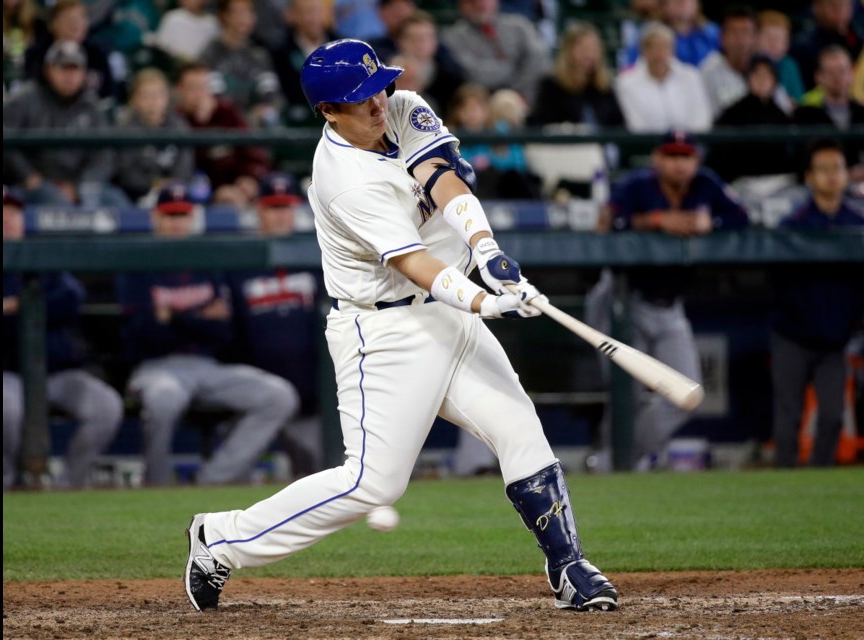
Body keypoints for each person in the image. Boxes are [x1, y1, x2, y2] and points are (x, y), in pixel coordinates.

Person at [183, 38, 619, 615]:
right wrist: (485, 302)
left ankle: (567, 564)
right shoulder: (342, 178)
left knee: (517, 423)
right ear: (328, 112)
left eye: (378, 86)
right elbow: (413, 261)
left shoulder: (404, 105)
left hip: (447, 314)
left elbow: (442, 177)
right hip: (383, 333)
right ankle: (220, 539)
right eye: (361, 97)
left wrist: (487, 251)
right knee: (374, 485)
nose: (378, 101)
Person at [115, 182, 302, 486]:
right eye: (170, 214)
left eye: (183, 214)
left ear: (193, 218)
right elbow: (143, 333)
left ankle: (211, 481)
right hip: (156, 367)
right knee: (165, 399)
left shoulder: (208, 261)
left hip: (208, 365)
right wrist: (198, 316)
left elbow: (222, 332)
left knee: (279, 396)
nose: (177, 222)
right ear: (156, 218)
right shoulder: (137, 264)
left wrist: (172, 316)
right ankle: (156, 487)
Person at [598, 129, 750, 470]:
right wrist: (655, 220)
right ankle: (614, 463)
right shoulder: (636, 185)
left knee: (687, 393)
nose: (680, 164)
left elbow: (742, 219)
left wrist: (714, 222)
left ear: (696, 160)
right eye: (672, 156)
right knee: (628, 394)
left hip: (670, 306)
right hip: (624, 298)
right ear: (657, 159)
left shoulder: (706, 185)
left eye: (686, 157)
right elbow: (608, 223)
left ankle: (617, 458)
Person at [3, 186, 124, 489]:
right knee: (7, 409)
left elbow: (71, 299)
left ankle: (68, 484)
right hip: (9, 374)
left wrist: (19, 306)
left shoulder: (42, 257)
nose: (8, 218)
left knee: (106, 405)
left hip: (56, 372)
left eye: (14, 211)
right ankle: (9, 482)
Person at [768, 138, 864, 468]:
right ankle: (784, 484)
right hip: (793, 336)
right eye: (822, 170)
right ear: (809, 177)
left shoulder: (859, 226)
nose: (830, 176)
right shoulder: (793, 225)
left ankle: (818, 482)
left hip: (835, 341)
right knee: (788, 418)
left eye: (836, 168)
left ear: (847, 174)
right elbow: (776, 283)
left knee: (832, 416)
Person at [224, 171, 325, 478]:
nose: (281, 216)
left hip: (310, 402)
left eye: (286, 207)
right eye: (273, 208)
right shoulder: (238, 261)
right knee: (234, 482)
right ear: (259, 211)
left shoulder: (316, 256)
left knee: (326, 471)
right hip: (256, 398)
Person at [3, 39, 133, 209]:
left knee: (119, 203)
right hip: (33, 184)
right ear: (48, 70)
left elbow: (104, 155)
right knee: (55, 202)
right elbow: (6, 139)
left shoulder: (92, 106)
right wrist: (28, 175)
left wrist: (82, 185)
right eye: (63, 68)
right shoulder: (25, 99)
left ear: (84, 73)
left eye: (74, 69)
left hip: (80, 185)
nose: (69, 76)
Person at [173, 60, 273, 206]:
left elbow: (253, 151)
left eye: (203, 87)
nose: (199, 94)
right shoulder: (175, 119)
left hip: (237, 185)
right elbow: (187, 165)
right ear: (179, 90)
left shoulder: (227, 112)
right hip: (197, 190)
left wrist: (249, 177)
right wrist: (201, 123)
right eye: (192, 88)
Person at [441, 0, 552, 107]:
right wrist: (513, 68)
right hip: (481, 103)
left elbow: (539, 60)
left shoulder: (520, 26)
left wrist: (517, 91)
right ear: (462, 5)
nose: (481, 4)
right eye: (473, 1)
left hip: (526, 96)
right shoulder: (453, 36)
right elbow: (473, 73)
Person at [708, 53, 796, 185]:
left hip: (778, 183)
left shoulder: (782, 115)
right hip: (740, 183)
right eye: (756, 74)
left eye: (767, 75)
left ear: (775, 80)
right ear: (748, 78)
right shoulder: (732, 114)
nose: (762, 80)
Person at [112, 67, 196, 206]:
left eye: (158, 95)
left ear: (167, 98)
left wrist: (171, 184)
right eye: (146, 96)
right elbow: (126, 174)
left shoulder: (179, 126)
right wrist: (156, 184)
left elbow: (185, 167)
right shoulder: (124, 129)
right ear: (134, 99)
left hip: (175, 193)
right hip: (134, 195)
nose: (153, 102)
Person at [614, 20, 713, 133]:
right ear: (643, 50)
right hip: (646, 148)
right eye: (653, 47)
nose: (659, 53)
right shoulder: (626, 83)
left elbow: (701, 117)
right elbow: (635, 125)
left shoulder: (691, 76)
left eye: (664, 47)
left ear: (673, 49)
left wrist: (686, 145)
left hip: (690, 147)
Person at [200, 0, 285, 129]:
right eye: (238, 13)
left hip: (257, 127)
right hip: (224, 128)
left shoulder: (259, 55)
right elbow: (215, 100)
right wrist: (245, 117)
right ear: (223, 16)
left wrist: (266, 109)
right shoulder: (210, 55)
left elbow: (272, 94)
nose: (244, 19)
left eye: (249, 13)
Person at [527, 20, 625, 130]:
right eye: (583, 47)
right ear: (568, 50)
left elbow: (619, 127)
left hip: (602, 146)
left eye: (593, 48)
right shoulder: (550, 85)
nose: (589, 53)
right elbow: (539, 125)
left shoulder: (605, 88)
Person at [793, 44, 864, 186]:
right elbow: (800, 165)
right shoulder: (804, 116)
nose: (837, 77)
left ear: (852, 73)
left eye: (842, 71)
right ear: (818, 77)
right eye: (830, 72)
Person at [698, 4, 792, 120]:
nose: (740, 39)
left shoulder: (766, 68)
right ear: (722, 38)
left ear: (756, 38)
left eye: (746, 32)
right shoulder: (708, 71)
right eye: (733, 32)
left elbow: (785, 112)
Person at [23, 0, 119, 104]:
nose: (75, 24)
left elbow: (108, 96)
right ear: (52, 24)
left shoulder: (97, 55)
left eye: (81, 18)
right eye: (69, 19)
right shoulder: (37, 54)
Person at [270, 0, 343, 128]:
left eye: (316, 11)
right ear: (291, 15)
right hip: (297, 123)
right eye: (306, 12)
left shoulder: (342, 46)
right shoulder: (280, 52)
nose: (312, 18)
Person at [789, 0, 864, 93]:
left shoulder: (862, 42)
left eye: (845, 4)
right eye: (832, 4)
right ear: (817, 8)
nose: (839, 9)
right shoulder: (802, 48)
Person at [619, 0, 720, 70]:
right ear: (663, 5)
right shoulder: (648, 33)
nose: (683, 2)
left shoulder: (711, 32)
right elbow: (631, 67)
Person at [756, 9, 804, 108]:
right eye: (768, 38)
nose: (773, 44)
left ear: (787, 43)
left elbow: (798, 99)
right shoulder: (750, 63)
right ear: (756, 39)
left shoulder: (790, 65)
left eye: (778, 39)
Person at [152, 0, 221, 65]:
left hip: (202, 67)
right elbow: (160, 47)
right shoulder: (172, 18)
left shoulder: (212, 23)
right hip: (174, 65)